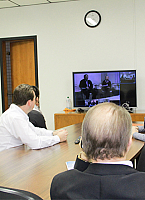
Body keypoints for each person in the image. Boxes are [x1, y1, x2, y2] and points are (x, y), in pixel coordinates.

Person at [50, 102, 145, 199]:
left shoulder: (60, 184)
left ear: (84, 143)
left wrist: (82, 160)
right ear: (129, 142)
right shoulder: (141, 186)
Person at [0, 84, 68, 152]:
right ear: (29, 102)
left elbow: (33, 130)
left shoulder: (18, 113)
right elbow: (35, 143)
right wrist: (58, 138)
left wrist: (52, 134)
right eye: (35, 99)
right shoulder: (15, 117)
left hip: (15, 154)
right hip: (9, 158)